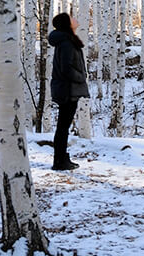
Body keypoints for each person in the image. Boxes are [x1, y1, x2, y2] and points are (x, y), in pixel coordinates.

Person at [49, 12, 90, 171]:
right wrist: (81, 77)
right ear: (67, 23)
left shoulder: (67, 40)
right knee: (63, 126)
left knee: (63, 126)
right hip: (67, 89)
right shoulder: (66, 43)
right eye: (71, 17)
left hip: (67, 88)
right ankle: (59, 161)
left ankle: (61, 158)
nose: (75, 18)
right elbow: (66, 68)